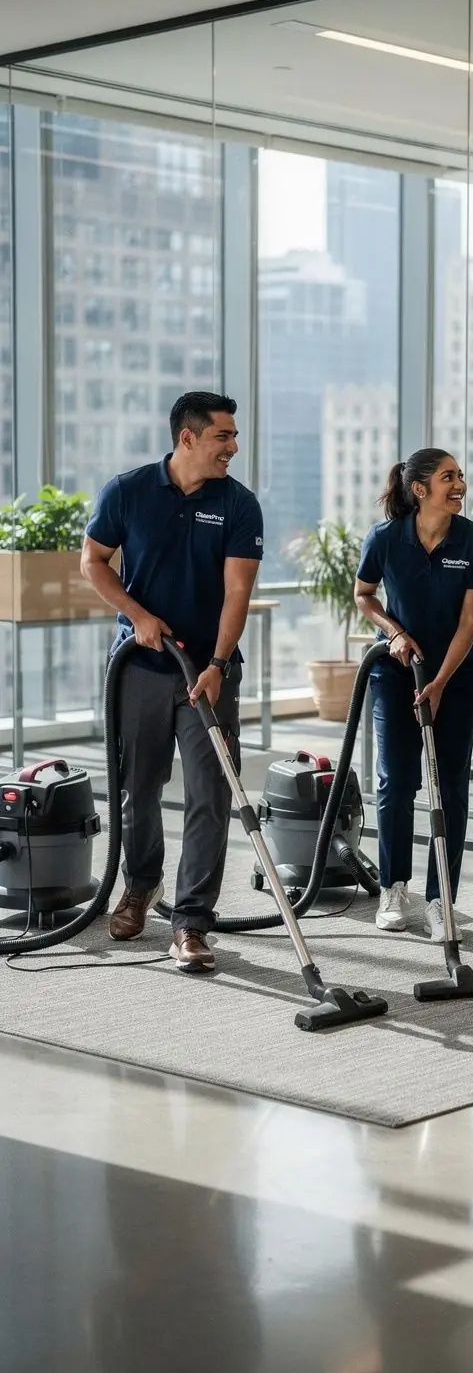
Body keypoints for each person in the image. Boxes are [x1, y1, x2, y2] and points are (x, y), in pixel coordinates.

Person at [80, 391, 263, 973]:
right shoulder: (128, 491)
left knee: (210, 795)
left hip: (208, 673)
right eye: (223, 437)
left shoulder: (238, 504)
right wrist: (137, 616)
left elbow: (238, 591)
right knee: (138, 787)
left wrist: (217, 663)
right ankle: (140, 887)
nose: (234, 447)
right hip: (139, 667)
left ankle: (191, 923)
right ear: (188, 437)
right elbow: (93, 560)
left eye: (234, 437)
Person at [354, 449, 473, 941]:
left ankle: (441, 901)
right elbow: (364, 594)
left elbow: (470, 622)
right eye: (448, 477)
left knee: (451, 787)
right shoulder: (386, 539)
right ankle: (393, 887)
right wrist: (392, 632)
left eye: (460, 475)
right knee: (396, 781)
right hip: (396, 674)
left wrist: (438, 683)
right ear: (419, 489)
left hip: (458, 677)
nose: (459, 484)